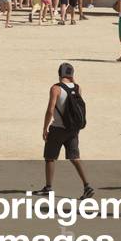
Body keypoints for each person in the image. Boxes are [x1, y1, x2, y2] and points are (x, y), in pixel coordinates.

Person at [41, 63, 94, 200]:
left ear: (60, 73)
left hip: (58, 128)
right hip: (73, 129)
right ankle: (87, 186)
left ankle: (48, 187)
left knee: (50, 158)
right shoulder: (77, 88)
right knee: (75, 158)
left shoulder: (56, 89)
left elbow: (50, 110)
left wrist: (45, 128)